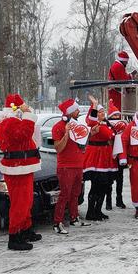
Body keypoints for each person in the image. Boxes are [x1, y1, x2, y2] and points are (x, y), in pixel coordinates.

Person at [0, 94, 42, 250]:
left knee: (26, 201)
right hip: (16, 168)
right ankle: (14, 236)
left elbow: (31, 136)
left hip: (23, 166)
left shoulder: (13, 122)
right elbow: (23, 134)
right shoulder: (9, 123)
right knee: (19, 204)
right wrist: (28, 115)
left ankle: (25, 229)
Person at [52, 98, 89, 234]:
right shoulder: (58, 127)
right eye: (76, 110)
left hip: (78, 165)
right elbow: (58, 148)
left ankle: (74, 218)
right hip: (66, 166)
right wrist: (67, 132)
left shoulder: (77, 124)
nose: (79, 111)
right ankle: (57, 222)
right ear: (70, 112)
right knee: (64, 195)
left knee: (75, 194)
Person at [83, 95, 118, 222]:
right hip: (97, 158)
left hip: (105, 158)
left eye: (103, 111)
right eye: (100, 112)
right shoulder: (94, 124)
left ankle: (98, 210)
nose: (102, 113)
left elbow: (113, 134)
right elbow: (109, 134)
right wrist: (94, 105)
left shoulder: (104, 123)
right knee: (96, 186)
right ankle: (91, 212)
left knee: (104, 186)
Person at [105, 101, 128, 210]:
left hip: (119, 155)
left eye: (117, 115)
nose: (116, 117)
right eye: (114, 115)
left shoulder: (124, 125)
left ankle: (119, 199)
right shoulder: (105, 126)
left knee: (120, 179)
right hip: (109, 156)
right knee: (109, 180)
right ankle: (108, 201)